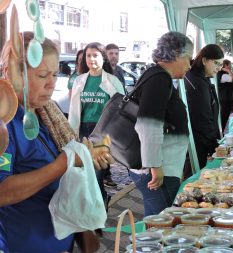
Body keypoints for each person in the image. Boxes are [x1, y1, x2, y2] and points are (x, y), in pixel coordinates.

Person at [0, 32, 112, 252]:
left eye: (54, 74)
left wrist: (83, 231)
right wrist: (64, 162)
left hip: (60, 242)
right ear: (13, 73)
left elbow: (63, 181)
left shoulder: (46, 114)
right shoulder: (6, 122)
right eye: (42, 75)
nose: (51, 84)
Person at [129, 31, 193, 216]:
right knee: (160, 225)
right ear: (177, 54)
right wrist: (155, 166)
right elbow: (148, 125)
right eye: (188, 58)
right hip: (156, 169)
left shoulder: (156, 75)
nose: (190, 64)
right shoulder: (159, 78)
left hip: (159, 166)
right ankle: (141, 246)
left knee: (157, 222)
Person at [69, 42, 125, 199]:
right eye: (88, 55)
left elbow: (122, 108)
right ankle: (94, 207)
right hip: (83, 131)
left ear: (103, 57)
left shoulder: (113, 81)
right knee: (84, 173)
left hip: (103, 133)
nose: (91, 59)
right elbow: (74, 111)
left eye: (95, 55)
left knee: (96, 174)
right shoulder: (79, 80)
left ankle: (100, 208)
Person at [185, 44, 224, 169]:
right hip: (195, 142)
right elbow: (203, 117)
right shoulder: (197, 81)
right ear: (204, 60)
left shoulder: (202, 78)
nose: (219, 68)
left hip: (200, 139)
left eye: (221, 65)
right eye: (216, 63)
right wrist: (213, 145)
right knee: (192, 175)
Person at [217, 59, 233, 132]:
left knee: (225, 116)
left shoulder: (223, 74)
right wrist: (228, 71)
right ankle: (221, 131)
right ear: (226, 65)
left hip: (226, 98)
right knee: (223, 117)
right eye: (229, 65)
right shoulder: (223, 74)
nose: (231, 66)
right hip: (224, 99)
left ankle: (221, 130)